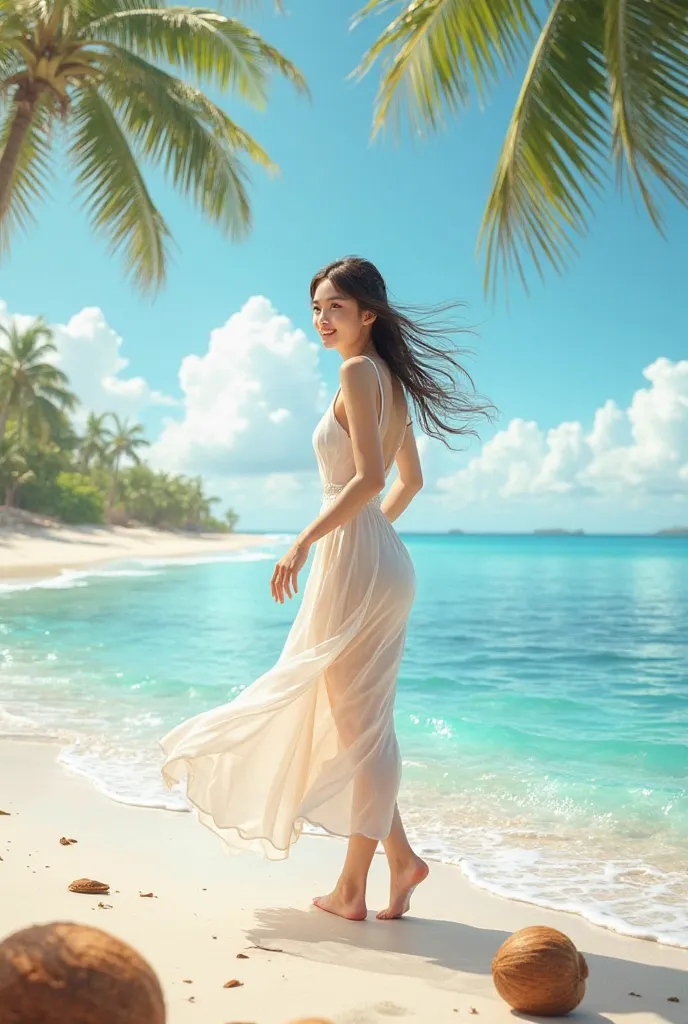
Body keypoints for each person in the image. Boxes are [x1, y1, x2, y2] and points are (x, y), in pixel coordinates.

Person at [160, 256, 492, 921]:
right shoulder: (388, 381)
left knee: (359, 727)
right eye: (315, 308)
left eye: (334, 307)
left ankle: (353, 888)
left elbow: (369, 481)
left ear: (369, 314)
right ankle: (398, 861)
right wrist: (364, 539)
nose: (321, 320)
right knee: (358, 725)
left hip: (360, 560)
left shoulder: (356, 372)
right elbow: (407, 485)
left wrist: (306, 541)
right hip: (379, 560)